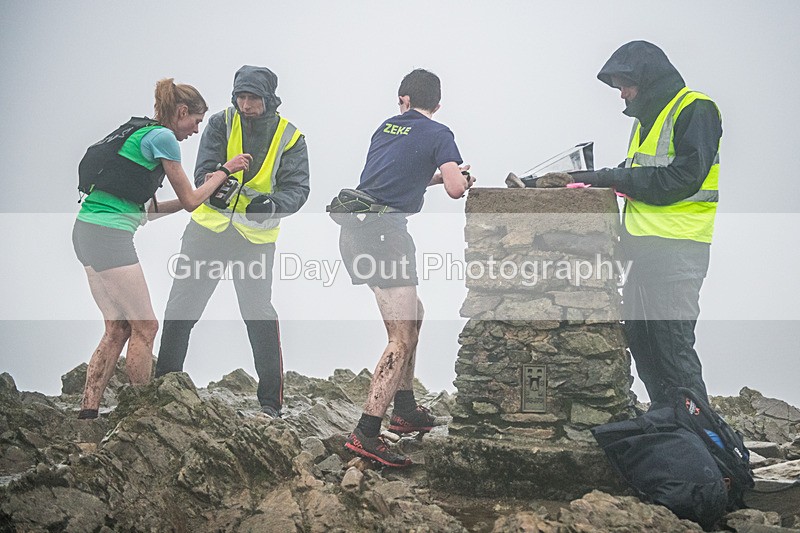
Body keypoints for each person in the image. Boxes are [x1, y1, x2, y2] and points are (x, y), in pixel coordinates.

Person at [72, 79, 252, 419]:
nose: (197, 130)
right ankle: (143, 414)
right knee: (146, 326)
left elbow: (151, 209)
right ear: (181, 112)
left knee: (117, 327)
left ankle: (88, 413)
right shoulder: (165, 138)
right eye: (196, 121)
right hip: (109, 237)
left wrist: (204, 192)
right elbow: (190, 199)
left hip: (85, 230)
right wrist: (224, 171)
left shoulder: (141, 133)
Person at [569, 41, 722, 407]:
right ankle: (672, 427)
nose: (621, 93)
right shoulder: (646, 121)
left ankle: (701, 440)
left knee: (672, 348)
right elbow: (636, 172)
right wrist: (597, 177)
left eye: (625, 84)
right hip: (643, 251)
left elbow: (681, 179)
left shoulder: (695, 108)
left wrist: (611, 179)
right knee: (644, 343)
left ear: (648, 79)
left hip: (678, 250)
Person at [154, 66, 310, 418]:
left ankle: (270, 403)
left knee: (258, 315)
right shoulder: (220, 122)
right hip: (207, 231)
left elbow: (298, 190)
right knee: (182, 308)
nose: (245, 103)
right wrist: (216, 184)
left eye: (253, 97)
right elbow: (201, 172)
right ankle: (163, 387)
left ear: (269, 99)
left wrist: (272, 205)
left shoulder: (291, 137)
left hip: (254, 239)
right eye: (240, 96)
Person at [337, 68, 475, 466]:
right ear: (437, 104)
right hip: (386, 235)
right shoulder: (439, 133)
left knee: (415, 314)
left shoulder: (386, 127)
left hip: (358, 230)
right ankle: (367, 431)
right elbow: (453, 189)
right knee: (400, 336)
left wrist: (435, 177)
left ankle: (406, 409)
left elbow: (399, 179)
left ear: (403, 100)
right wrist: (461, 179)